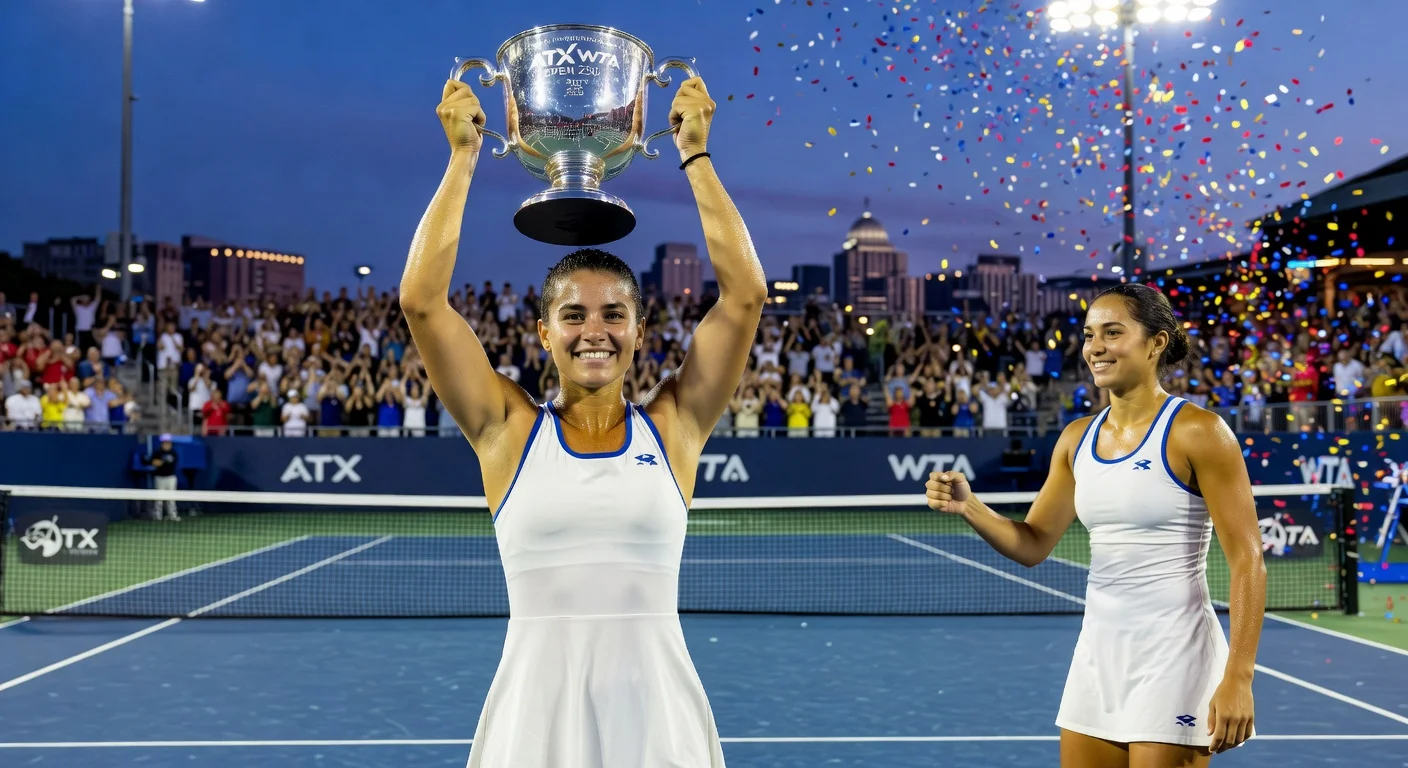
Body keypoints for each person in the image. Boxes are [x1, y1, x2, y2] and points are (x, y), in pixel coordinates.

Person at [401, 74, 766, 768]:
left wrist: (695, 155)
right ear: (543, 332)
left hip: (659, 727)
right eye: (573, 315)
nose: (593, 331)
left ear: (639, 328)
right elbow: (422, 302)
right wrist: (462, 158)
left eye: (612, 314)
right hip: (535, 729)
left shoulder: (675, 427)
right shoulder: (505, 431)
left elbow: (745, 298)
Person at [925, 283, 1263, 767]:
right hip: (1098, 654)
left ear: (1156, 343)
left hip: (1176, 655)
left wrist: (1239, 677)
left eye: (1112, 332)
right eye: (1088, 335)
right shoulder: (1075, 438)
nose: (1095, 347)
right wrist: (971, 508)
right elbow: (1034, 543)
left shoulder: (1200, 431)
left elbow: (1248, 560)